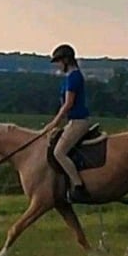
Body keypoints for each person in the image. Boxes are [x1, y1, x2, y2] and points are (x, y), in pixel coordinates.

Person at [44, 43, 92, 203]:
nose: (57, 65)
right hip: (73, 120)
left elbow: (68, 104)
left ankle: (78, 186)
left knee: (59, 152)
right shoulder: (70, 77)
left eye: (58, 61)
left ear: (66, 60)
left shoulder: (74, 77)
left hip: (78, 121)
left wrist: (54, 123)